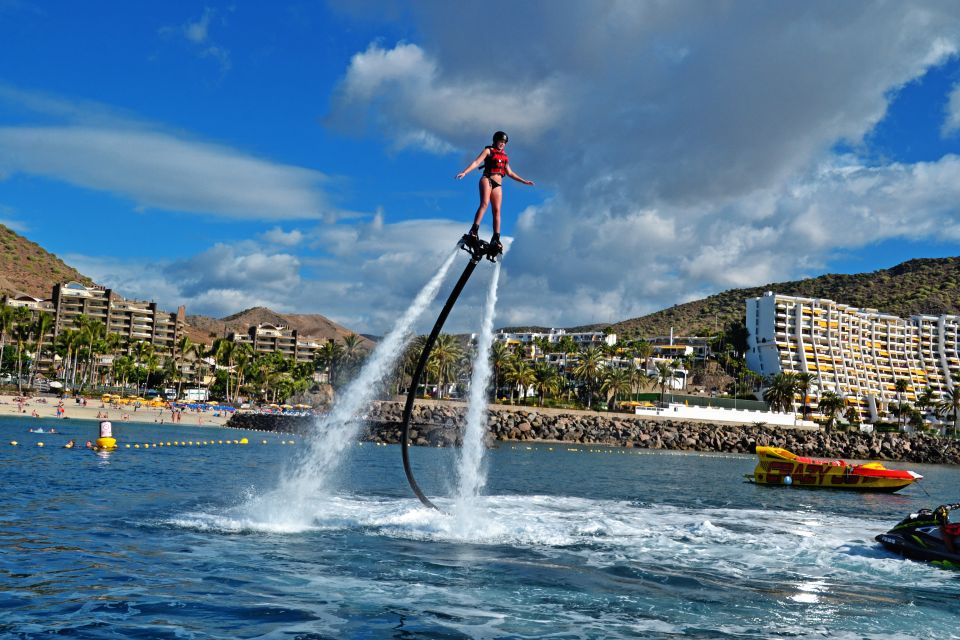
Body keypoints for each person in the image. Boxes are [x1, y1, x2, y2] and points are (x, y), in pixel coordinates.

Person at [455, 131, 534, 254]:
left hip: (498, 184)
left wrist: (523, 181)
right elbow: (476, 162)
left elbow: (510, 173)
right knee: (484, 204)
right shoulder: (488, 151)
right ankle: (474, 231)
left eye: (504, 143)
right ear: (495, 140)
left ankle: (496, 239)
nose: (502, 144)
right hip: (487, 179)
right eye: (501, 142)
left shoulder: (505, 157)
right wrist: (465, 172)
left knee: (497, 210)